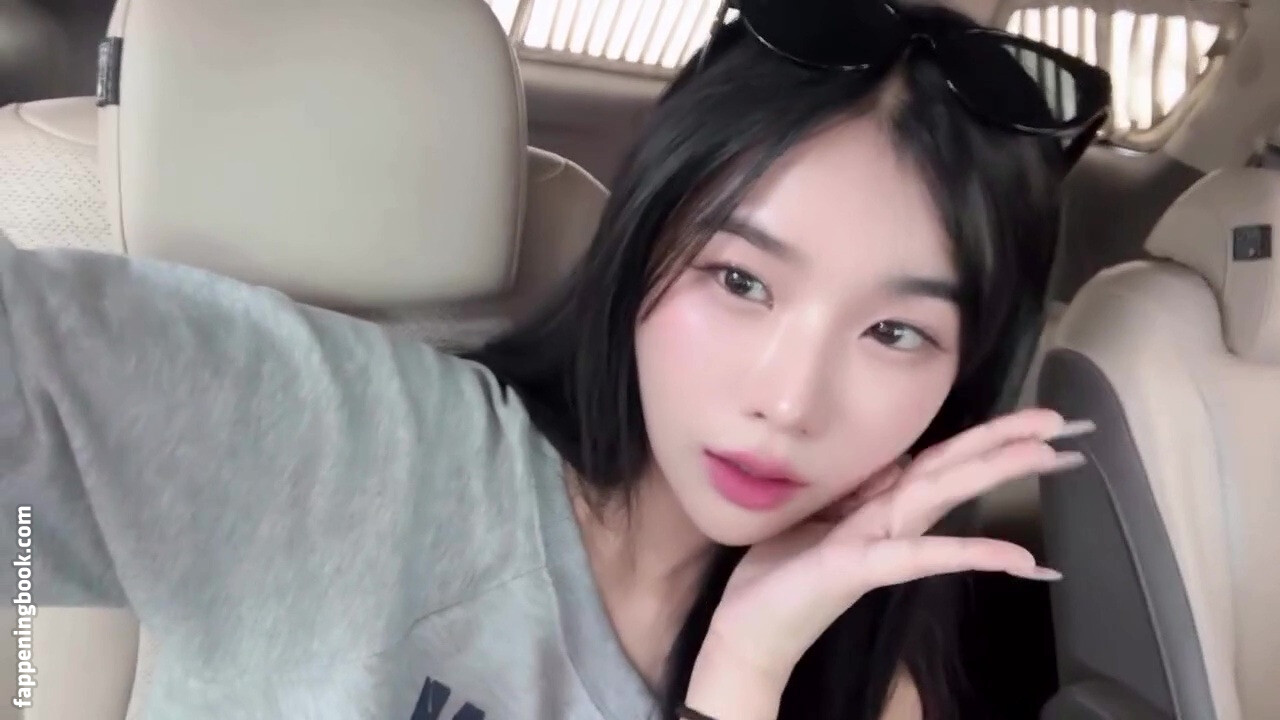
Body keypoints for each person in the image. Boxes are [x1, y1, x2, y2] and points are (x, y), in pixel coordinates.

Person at [0, 2, 1110, 719]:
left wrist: (745, 668)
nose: (787, 400)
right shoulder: (357, 449)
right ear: (640, 243)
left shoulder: (860, 675)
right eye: (739, 281)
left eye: (894, 333)